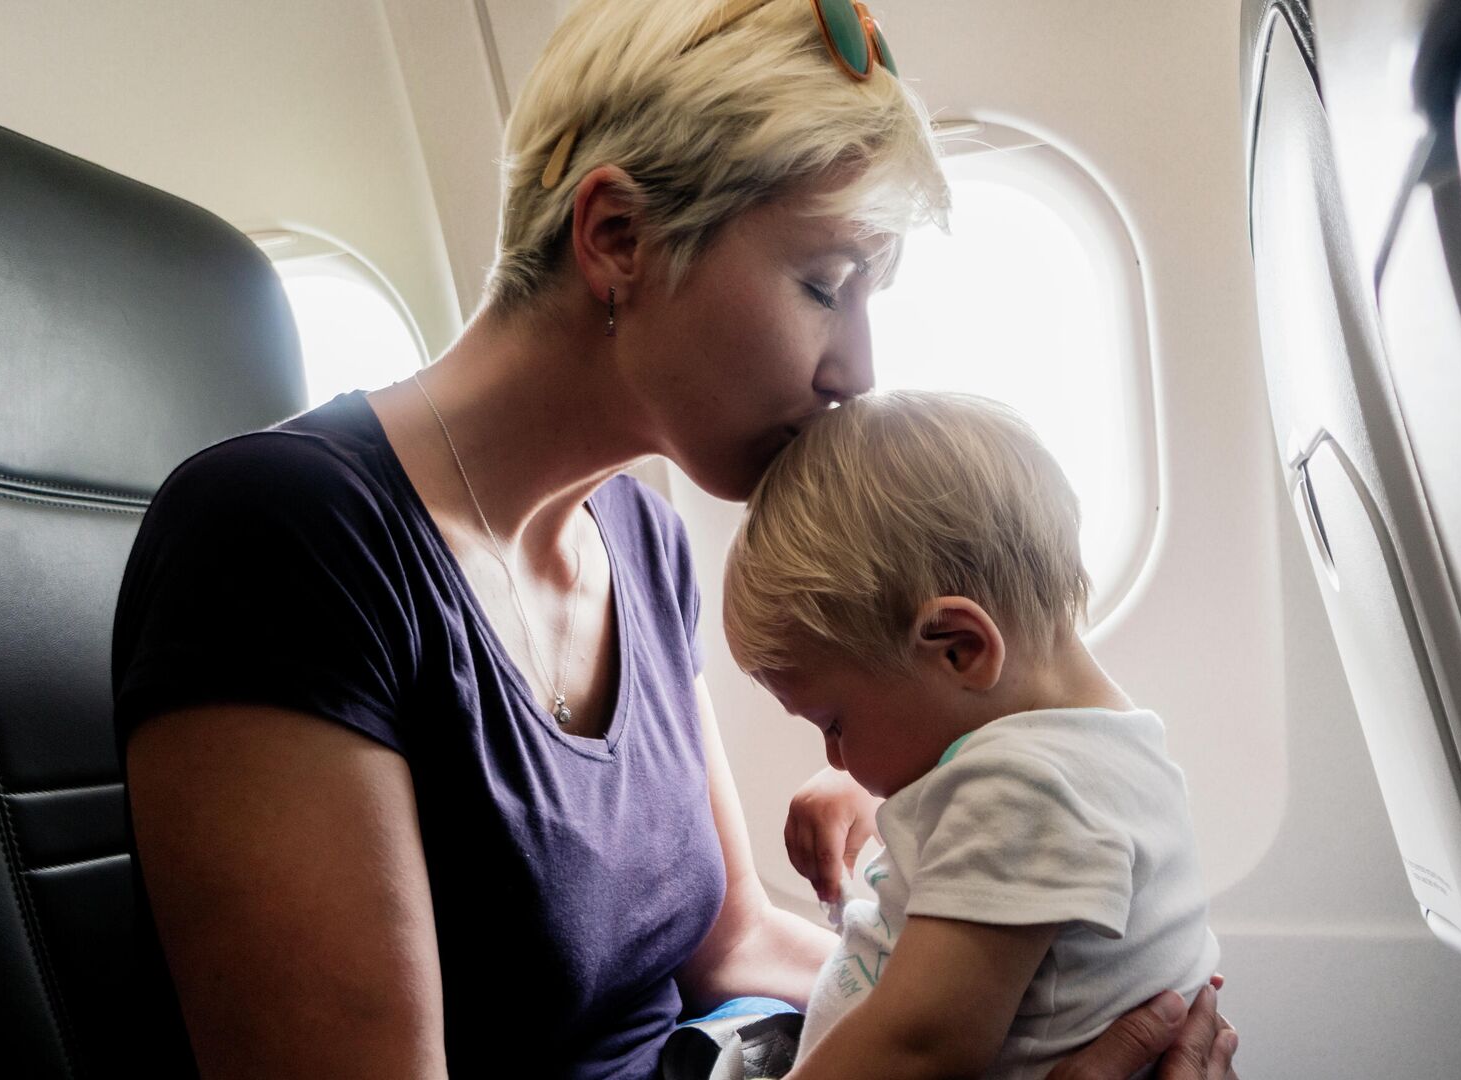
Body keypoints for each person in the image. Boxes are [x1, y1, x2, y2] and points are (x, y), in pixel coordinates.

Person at [111, 0, 1241, 1077]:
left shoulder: (643, 542)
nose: (859, 370)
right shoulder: (282, 539)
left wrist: (1047, 1026)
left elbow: (732, 944)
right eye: (825, 285)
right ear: (619, 237)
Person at [721, 391, 1221, 1079]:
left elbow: (921, 1045)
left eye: (834, 724)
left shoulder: (1021, 789)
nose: (833, 757)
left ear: (960, 649)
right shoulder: (1105, 751)